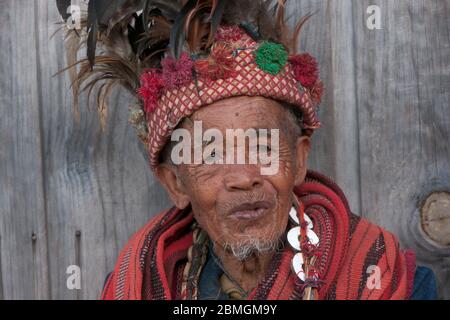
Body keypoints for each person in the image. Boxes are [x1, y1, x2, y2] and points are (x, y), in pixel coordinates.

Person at [58, 0, 437, 300]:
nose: (243, 177)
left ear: (300, 158)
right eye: (209, 154)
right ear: (175, 182)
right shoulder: (141, 285)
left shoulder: (391, 283)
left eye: (262, 146)